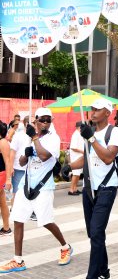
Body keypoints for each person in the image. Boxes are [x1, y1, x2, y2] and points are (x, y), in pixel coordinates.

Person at [0, 108, 72, 274]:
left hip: (44, 186)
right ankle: (17, 260)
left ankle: (65, 247)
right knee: (17, 219)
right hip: (26, 185)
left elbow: (45, 156)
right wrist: (26, 154)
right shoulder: (29, 138)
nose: (45, 123)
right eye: (42, 119)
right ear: (36, 120)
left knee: (46, 221)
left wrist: (34, 139)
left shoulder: (54, 138)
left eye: (49, 120)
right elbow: (24, 162)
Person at [61, 99, 118, 279]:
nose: (93, 112)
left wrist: (91, 138)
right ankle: (104, 271)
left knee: (96, 232)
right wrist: (70, 166)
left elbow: (108, 157)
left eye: (97, 109)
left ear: (107, 113)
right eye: (92, 109)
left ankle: (93, 275)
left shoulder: (115, 132)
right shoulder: (91, 133)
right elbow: (88, 157)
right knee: (94, 233)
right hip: (89, 188)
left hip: (106, 188)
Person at [9, 117, 30, 208]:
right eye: (33, 122)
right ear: (26, 124)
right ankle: (14, 208)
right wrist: (10, 167)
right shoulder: (18, 135)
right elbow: (12, 152)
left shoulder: (35, 136)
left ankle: (25, 209)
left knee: (28, 190)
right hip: (18, 168)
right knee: (16, 190)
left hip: (30, 169)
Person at [0, 121, 12, 236]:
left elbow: (7, 161)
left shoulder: (3, 142)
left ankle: (7, 227)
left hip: (1, 174)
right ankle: (6, 228)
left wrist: (8, 179)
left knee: (2, 201)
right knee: (2, 202)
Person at [68, 121, 84, 196]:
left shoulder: (79, 134)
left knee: (78, 174)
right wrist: (82, 152)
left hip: (79, 156)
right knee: (76, 174)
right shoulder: (75, 135)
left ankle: (75, 188)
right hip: (76, 157)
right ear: (79, 127)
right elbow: (73, 147)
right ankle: (71, 189)